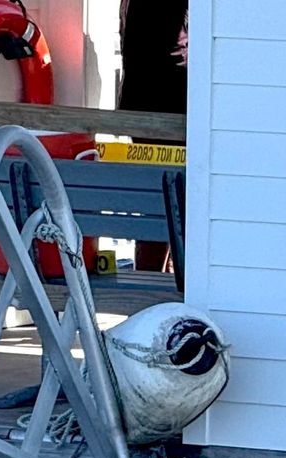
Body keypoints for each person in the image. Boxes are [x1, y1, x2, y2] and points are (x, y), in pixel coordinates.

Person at [118, 0, 187, 276]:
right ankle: (161, 282)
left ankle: (154, 277)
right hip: (170, 111)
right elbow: (173, 51)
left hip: (143, 106)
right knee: (173, 204)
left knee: (159, 203)